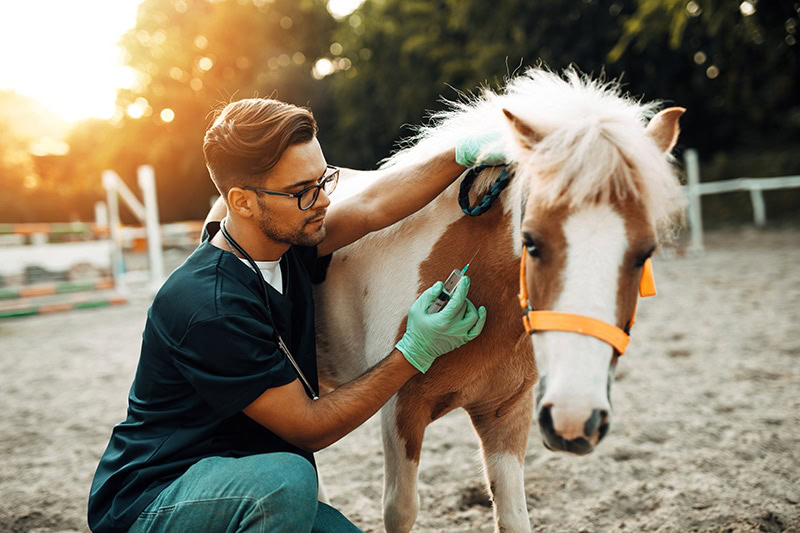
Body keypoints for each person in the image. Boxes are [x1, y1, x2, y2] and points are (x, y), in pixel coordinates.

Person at [88, 98, 492, 532]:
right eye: (302, 192)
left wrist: (461, 153)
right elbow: (308, 428)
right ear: (242, 203)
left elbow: (373, 206)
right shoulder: (209, 305)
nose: (321, 201)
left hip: (248, 484)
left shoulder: (288, 242)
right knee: (289, 478)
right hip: (157, 499)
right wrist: (414, 350)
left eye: (323, 181)